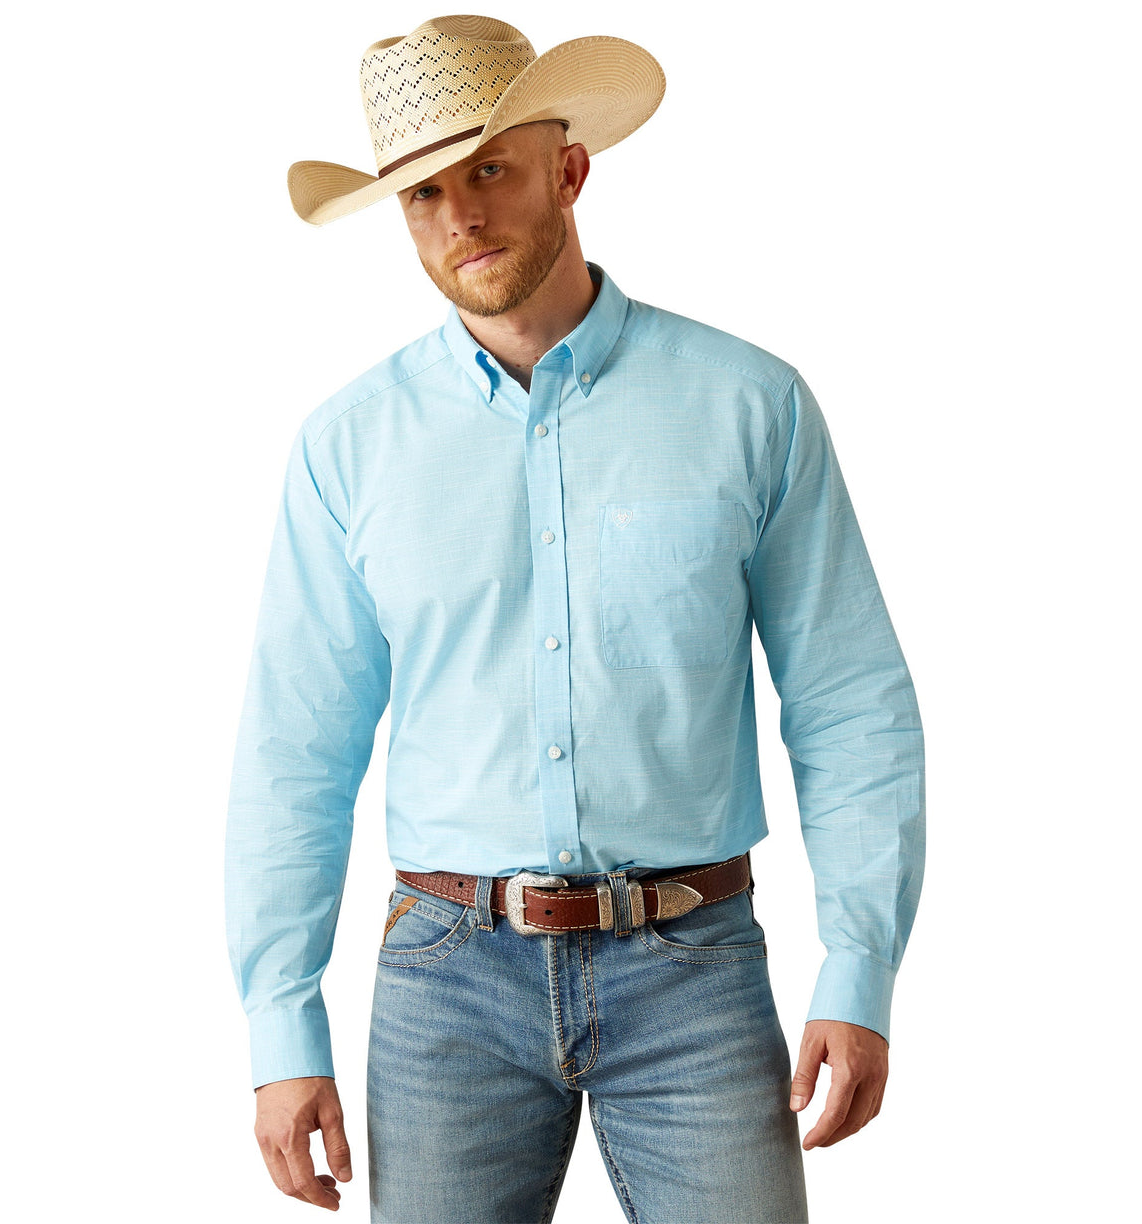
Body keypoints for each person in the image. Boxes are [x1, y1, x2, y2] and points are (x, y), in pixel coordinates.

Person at [225, 14, 925, 1223]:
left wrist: (859, 970)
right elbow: (297, 747)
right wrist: (281, 1027)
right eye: (424, 193)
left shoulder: (750, 404)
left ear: (570, 168)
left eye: (489, 170)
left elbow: (850, 699)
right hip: (446, 979)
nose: (462, 219)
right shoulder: (349, 446)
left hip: (694, 966)